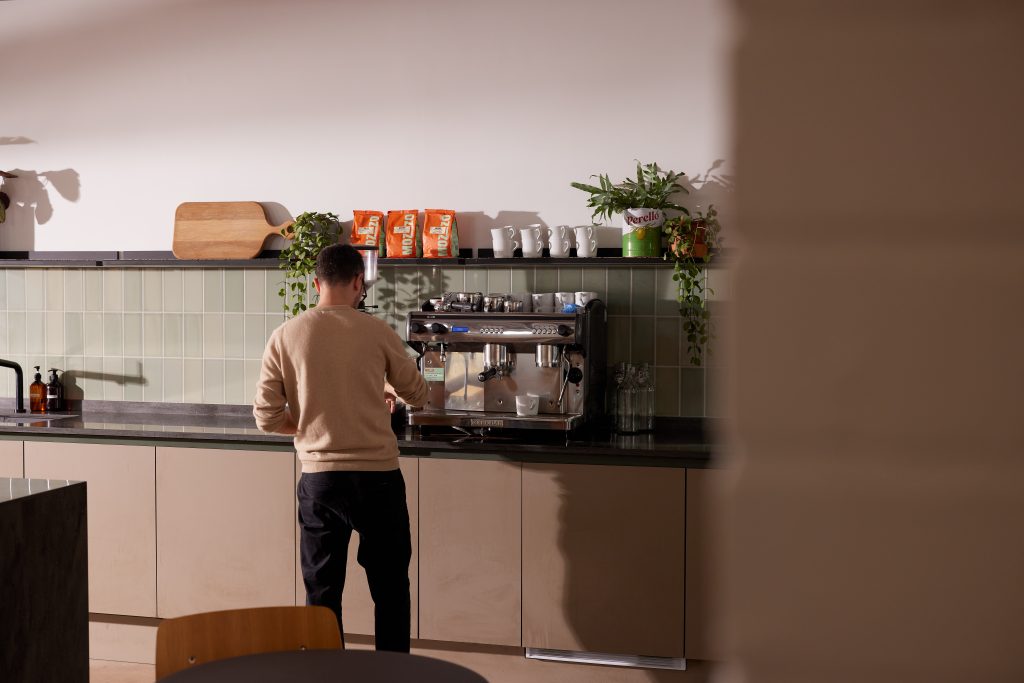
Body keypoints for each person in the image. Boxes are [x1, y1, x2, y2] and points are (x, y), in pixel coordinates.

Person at [253, 243, 428, 652]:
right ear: (357, 283)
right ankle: (392, 676)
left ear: (316, 283)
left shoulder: (286, 335)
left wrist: (312, 423)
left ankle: (326, 675)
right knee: (389, 591)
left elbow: (266, 417)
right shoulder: (376, 330)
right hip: (379, 481)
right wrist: (386, 387)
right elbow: (417, 394)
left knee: (322, 593)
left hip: (320, 482)